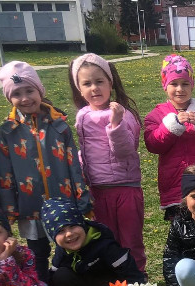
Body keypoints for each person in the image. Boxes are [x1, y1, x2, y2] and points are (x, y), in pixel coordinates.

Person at [0, 61, 91, 282]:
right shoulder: (8, 132)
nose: (25, 98)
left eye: (29, 90)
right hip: (31, 206)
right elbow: (5, 174)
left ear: (40, 90)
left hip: (64, 203)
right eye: (17, 93)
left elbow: (73, 165)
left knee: (70, 249)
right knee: (37, 253)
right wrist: (9, 209)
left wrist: (82, 198)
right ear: (9, 98)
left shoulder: (59, 126)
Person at [69, 53, 146, 272]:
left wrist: (115, 124)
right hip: (97, 190)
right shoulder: (82, 116)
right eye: (87, 83)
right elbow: (86, 149)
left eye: (99, 81)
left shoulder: (122, 114)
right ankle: (114, 281)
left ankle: (137, 278)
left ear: (110, 83)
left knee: (130, 240)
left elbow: (125, 152)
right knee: (105, 240)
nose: (94, 88)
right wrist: (81, 167)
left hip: (125, 188)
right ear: (79, 89)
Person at [42, 197, 147, 286]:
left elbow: (133, 276)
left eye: (72, 226)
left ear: (82, 223)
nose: (69, 234)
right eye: (60, 231)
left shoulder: (105, 246)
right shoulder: (62, 252)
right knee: (60, 276)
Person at [144, 55, 195, 220]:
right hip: (175, 184)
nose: (180, 89)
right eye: (174, 84)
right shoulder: (157, 115)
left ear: (192, 85)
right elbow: (153, 144)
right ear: (165, 86)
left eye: (185, 84)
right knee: (179, 227)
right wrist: (171, 126)